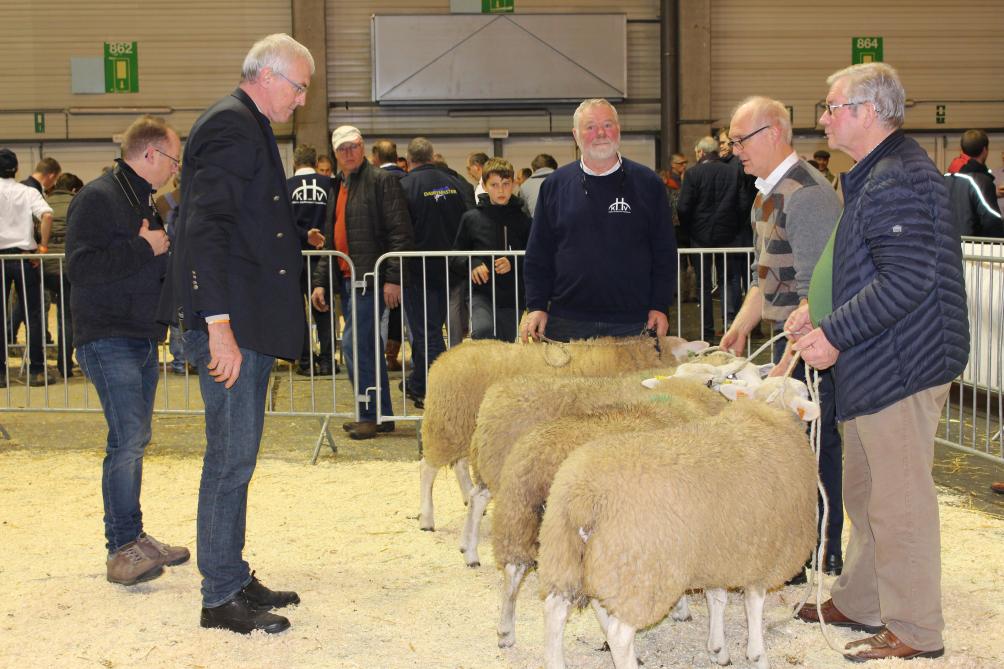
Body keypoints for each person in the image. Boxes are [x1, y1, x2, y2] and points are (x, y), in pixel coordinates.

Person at [791, 62, 969, 663]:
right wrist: (818, 315)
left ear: (867, 112)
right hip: (878, 360)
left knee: (900, 503)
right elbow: (867, 267)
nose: (823, 117)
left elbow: (906, 280)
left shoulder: (896, 178)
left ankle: (916, 629)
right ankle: (864, 599)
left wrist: (835, 331)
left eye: (831, 106)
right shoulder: (874, 175)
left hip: (902, 364)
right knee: (867, 493)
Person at [159, 33, 313, 635]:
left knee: (238, 457)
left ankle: (232, 570)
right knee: (229, 458)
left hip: (246, 321)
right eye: (299, 88)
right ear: (269, 75)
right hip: (230, 324)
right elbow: (205, 228)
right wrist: (217, 324)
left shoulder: (243, 124)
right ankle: (220, 595)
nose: (302, 100)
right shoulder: (230, 125)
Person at [717, 96, 844, 579]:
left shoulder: (808, 195)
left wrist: (796, 349)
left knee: (814, 445)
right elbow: (764, 276)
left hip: (813, 347)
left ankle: (820, 548)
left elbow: (820, 289)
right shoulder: (765, 195)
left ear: (773, 134)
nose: (735, 151)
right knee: (788, 447)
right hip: (788, 344)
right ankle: (794, 549)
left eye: (740, 140)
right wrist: (740, 327)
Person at [65, 115, 189, 586]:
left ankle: (134, 538)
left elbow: (152, 255)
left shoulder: (140, 199)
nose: (175, 170)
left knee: (135, 439)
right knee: (128, 439)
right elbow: (80, 267)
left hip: (138, 334)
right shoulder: (97, 197)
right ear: (151, 154)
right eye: (173, 160)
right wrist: (146, 248)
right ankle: (121, 549)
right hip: (106, 334)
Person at [521, 98, 676, 343]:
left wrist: (660, 305)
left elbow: (664, 252)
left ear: (619, 129)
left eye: (608, 124)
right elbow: (538, 253)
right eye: (590, 127)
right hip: (567, 322)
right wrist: (537, 305)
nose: (601, 133)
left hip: (634, 322)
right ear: (576, 135)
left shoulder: (649, 183)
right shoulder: (554, 186)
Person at [310, 125, 413, 440]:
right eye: (342, 149)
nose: (348, 153)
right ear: (335, 154)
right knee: (363, 345)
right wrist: (321, 282)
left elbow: (400, 233)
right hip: (348, 278)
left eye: (353, 147)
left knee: (356, 346)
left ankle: (368, 415)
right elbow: (332, 236)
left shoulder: (382, 181)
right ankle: (380, 415)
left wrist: (393, 278)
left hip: (370, 278)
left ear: (363, 147)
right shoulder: (337, 185)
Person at [399, 137, 471, 406]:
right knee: (430, 328)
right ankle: (419, 383)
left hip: (418, 272)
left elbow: (401, 230)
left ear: (409, 159)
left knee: (426, 333)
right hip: (449, 270)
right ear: (431, 156)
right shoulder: (455, 183)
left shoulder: (405, 186)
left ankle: (436, 388)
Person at [677, 136, 749, 341]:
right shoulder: (733, 172)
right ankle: (730, 327)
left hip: (700, 239)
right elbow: (744, 203)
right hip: (729, 236)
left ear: (700, 153)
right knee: (729, 281)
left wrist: (690, 228)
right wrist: (733, 225)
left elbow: (683, 207)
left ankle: (706, 333)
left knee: (704, 285)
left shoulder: (692, 174)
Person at [453, 157, 531, 342]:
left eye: (506, 184)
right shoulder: (471, 219)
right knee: (483, 331)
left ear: (514, 184)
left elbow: (535, 257)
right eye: (494, 185)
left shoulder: (525, 222)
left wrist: (513, 262)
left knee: (505, 343)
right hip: (481, 293)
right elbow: (455, 256)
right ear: (485, 186)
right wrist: (472, 263)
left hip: (512, 296)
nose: (501, 190)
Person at [0, 148, 53, 387]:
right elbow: (47, 216)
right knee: (33, 314)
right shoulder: (28, 191)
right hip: (24, 257)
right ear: (16, 169)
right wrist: (42, 247)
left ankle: (1, 374)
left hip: (0, 258)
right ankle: (37, 370)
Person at [286, 144, 330, 376]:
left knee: (298, 311)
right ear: (314, 161)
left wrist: (304, 235)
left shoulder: (286, 186)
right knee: (323, 307)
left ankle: (304, 361)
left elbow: (281, 222)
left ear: (295, 162)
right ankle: (327, 361)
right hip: (324, 256)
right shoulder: (328, 184)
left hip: (294, 256)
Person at [370, 138, 407, 371]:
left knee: (382, 314)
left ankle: (380, 360)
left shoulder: (372, 183)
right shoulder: (408, 180)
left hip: (379, 259)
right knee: (407, 315)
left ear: (375, 158)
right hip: (409, 260)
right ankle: (414, 362)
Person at [43, 172, 83, 377]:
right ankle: (64, 363)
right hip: (69, 266)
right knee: (67, 317)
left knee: (32, 313)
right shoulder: (78, 202)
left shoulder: (44, 201)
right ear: (74, 189)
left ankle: (37, 363)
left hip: (44, 267)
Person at [943, 129, 1003, 237]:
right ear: (985, 150)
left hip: (947, 245)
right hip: (972, 248)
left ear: (961, 150)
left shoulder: (945, 178)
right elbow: (991, 220)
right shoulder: (981, 181)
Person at [519, 153, 557, 217]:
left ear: (534, 169)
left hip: (536, 225)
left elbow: (523, 211)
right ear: (554, 167)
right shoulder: (565, 180)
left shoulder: (525, 185)